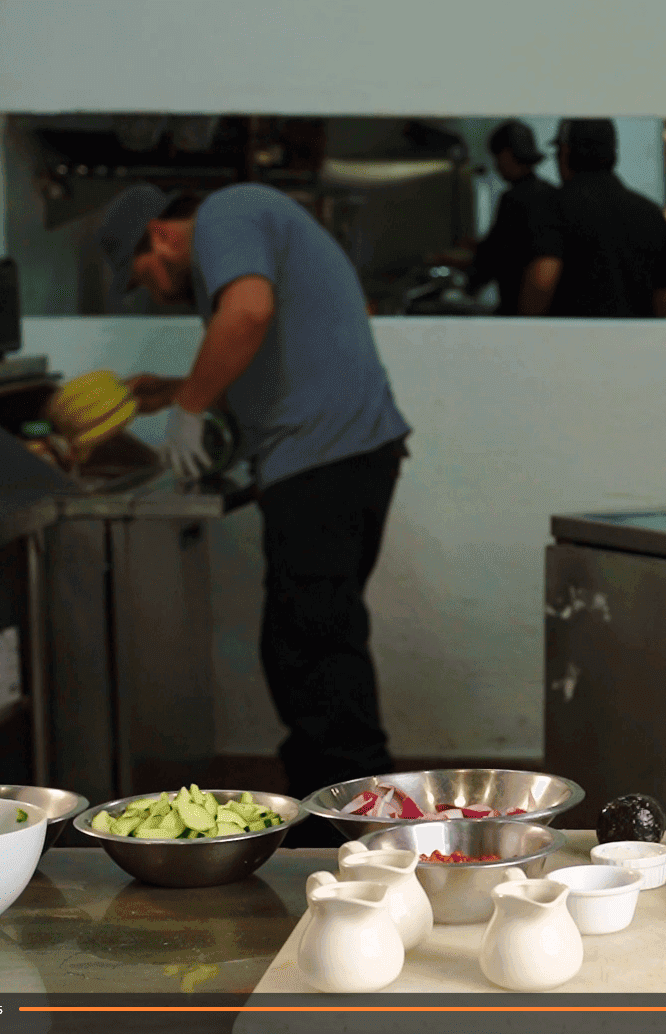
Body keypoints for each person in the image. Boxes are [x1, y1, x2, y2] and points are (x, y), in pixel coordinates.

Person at [96, 182, 412, 809]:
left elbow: (248, 313)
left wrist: (189, 406)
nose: (161, 293)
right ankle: (328, 803)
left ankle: (361, 823)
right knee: (307, 641)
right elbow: (272, 344)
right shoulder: (247, 220)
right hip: (342, 454)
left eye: (150, 275)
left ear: (161, 234)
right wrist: (180, 388)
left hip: (327, 458)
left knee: (313, 647)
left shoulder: (223, 210)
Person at [521, 118, 666, 318]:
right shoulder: (653, 214)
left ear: (566, 152)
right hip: (633, 345)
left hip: (570, 344)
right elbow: (664, 300)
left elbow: (543, 281)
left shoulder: (552, 206)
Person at [465, 120, 562, 316]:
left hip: (518, 310)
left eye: (497, 157)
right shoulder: (552, 193)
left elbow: (493, 256)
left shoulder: (513, 199)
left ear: (508, 154)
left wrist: (470, 283)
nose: (497, 165)